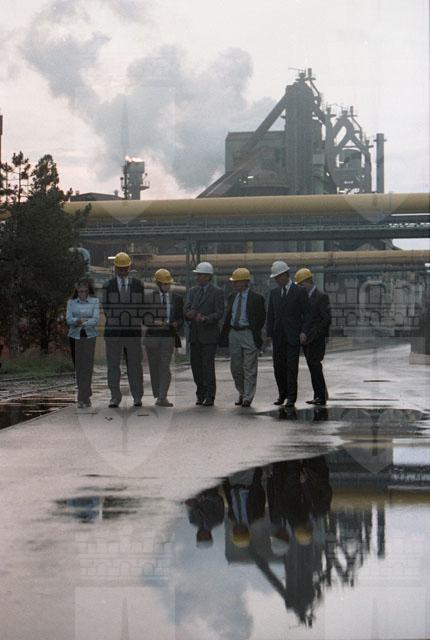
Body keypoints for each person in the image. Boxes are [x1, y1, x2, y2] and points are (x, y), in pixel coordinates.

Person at [102, 252, 145, 408]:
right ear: (115, 268)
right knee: (113, 366)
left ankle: (137, 396)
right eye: (120, 269)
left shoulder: (138, 285)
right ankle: (115, 397)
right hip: (114, 333)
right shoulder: (108, 285)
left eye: (125, 269)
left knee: (135, 366)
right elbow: (106, 307)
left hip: (132, 333)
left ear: (129, 268)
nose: (122, 272)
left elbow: (141, 307)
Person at [266, 260, 311, 408]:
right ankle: (282, 394)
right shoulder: (274, 293)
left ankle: (291, 397)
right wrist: (269, 333)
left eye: (278, 277)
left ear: (285, 275)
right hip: (278, 336)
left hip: (293, 336)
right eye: (275, 278)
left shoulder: (299, 291)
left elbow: (307, 314)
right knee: (278, 367)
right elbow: (271, 314)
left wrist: (304, 331)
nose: (277, 280)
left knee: (291, 368)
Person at [220, 267, 266, 407]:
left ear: (245, 282)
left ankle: (248, 397)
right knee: (236, 367)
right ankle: (242, 391)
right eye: (233, 282)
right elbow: (228, 316)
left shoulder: (256, 298)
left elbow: (261, 317)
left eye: (237, 281)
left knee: (249, 367)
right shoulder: (232, 297)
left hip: (248, 333)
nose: (234, 284)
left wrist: (254, 331)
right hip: (234, 333)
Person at [184, 261, 224, 406]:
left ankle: (209, 395)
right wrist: (189, 314)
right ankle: (200, 394)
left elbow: (219, 312)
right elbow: (186, 309)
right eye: (197, 275)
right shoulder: (192, 292)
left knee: (207, 367)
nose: (198, 278)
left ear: (208, 276)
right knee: (196, 367)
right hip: (195, 335)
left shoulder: (217, 292)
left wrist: (206, 319)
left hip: (209, 336)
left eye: (200, 275)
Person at [143, 268, 184, 407]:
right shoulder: (148, 298)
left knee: (165, 366)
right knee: (154, 367)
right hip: (152, 337)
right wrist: (153, 322)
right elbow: (143, 317)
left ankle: (163, 396)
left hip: (168, 336)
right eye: (165, 284)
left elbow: (181, 318)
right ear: (158, 284)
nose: (167, 286)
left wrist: (177, 323)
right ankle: (158, 395)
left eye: (168, 284)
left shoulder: (177, 299)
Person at [295, 268, 331, 406]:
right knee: (312, 366)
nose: (300, 288)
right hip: (306, 339)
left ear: (306, 282)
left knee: (315, 365)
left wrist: (315, 334)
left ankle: (320, 396)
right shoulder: (304, 297)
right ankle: (319, 394)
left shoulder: (321, 297)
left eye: (300, 285)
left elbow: (326, 319)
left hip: (316, 339)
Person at [66, 278, 99, 408]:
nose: (82, 294)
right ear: (77, 291)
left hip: (89, 336)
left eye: (85, 291)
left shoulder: (95, 301)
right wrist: (78, 321)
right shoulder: (71, 303)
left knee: (87, 367)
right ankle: (86, 394)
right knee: (79, 367)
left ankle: (82, 398)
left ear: (88, 291)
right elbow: (69, 319)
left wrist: (81, 322)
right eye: (80, 291)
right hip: (75, 336)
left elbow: (95, 319)